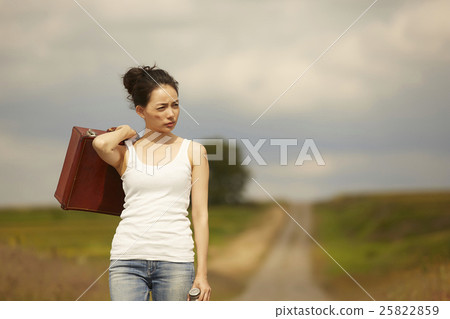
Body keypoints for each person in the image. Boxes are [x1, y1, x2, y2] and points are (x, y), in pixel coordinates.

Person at [92, 65, 211, 301]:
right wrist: (126, 131)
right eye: (162, 107)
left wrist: (202, 274)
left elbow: (200, 214)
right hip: (126, 261)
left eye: (175, 105)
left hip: (176, 260)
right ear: (140, 110)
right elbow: (100, 144)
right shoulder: (126, 151)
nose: (171, 114)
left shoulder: (194, 152)